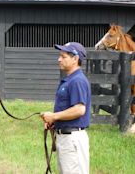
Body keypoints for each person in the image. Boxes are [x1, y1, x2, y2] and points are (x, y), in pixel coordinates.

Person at [40, 42, 91, 174]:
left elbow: (80, 109)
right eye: (59, 56)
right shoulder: (70, 80)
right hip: (66, 138)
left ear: (75, 59)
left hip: (72, 139)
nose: (59, 59)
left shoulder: (77, 81)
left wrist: (54, 116)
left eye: (63, 56)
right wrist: (54, 122)